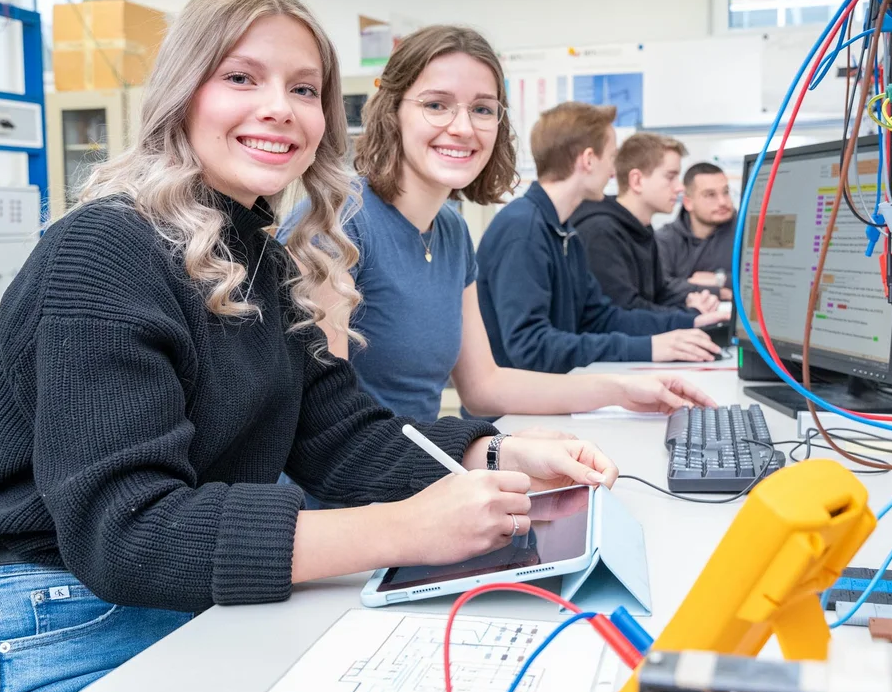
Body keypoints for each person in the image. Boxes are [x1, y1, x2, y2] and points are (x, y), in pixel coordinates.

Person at [0, 0, 617, 692]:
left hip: (169, 603)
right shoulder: (105, 247)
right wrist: (403, 528)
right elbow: (126, 531)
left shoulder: (262, 258)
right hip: (39, 616)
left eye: (305, 89)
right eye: (241, 77)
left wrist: (496, 449)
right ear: (182, 92)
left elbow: (342, 432)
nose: (280, 107)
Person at [280, 26, 714, 425]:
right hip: (348, 499)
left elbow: (485, 387)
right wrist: (485, 457)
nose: (464, 127)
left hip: (420, 479)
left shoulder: (450, 231)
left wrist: (624, 390)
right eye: (436, 105)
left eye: (483, 109)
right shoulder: (335, 225)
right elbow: (329, 423)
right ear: (392, 112)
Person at [475, 102, 731, 375]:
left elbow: (601, 317)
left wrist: (689, 322)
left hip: (553, 392)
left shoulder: (565, 232)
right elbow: (531, 347)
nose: (613, 171)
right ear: (587, 160)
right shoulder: (523, 230)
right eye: (611, 157)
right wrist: (651, 348)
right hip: (512, 411)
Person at [570, 132, 719, 315]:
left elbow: (658, 293)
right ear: (637, 181)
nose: (680, 187)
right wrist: (690, 315)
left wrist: (690, 299)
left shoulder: (642, 228)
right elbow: (624, 311)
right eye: (670, 177)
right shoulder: (601, 232)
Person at [656, 161, 738, 301]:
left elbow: (765, 278)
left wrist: (720, 279)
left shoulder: (746, 231)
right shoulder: (665, 238)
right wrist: (719, 292)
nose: (723, 202)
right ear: (688, 203)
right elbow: (662, 287)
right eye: (710, 195)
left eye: (725, 192)